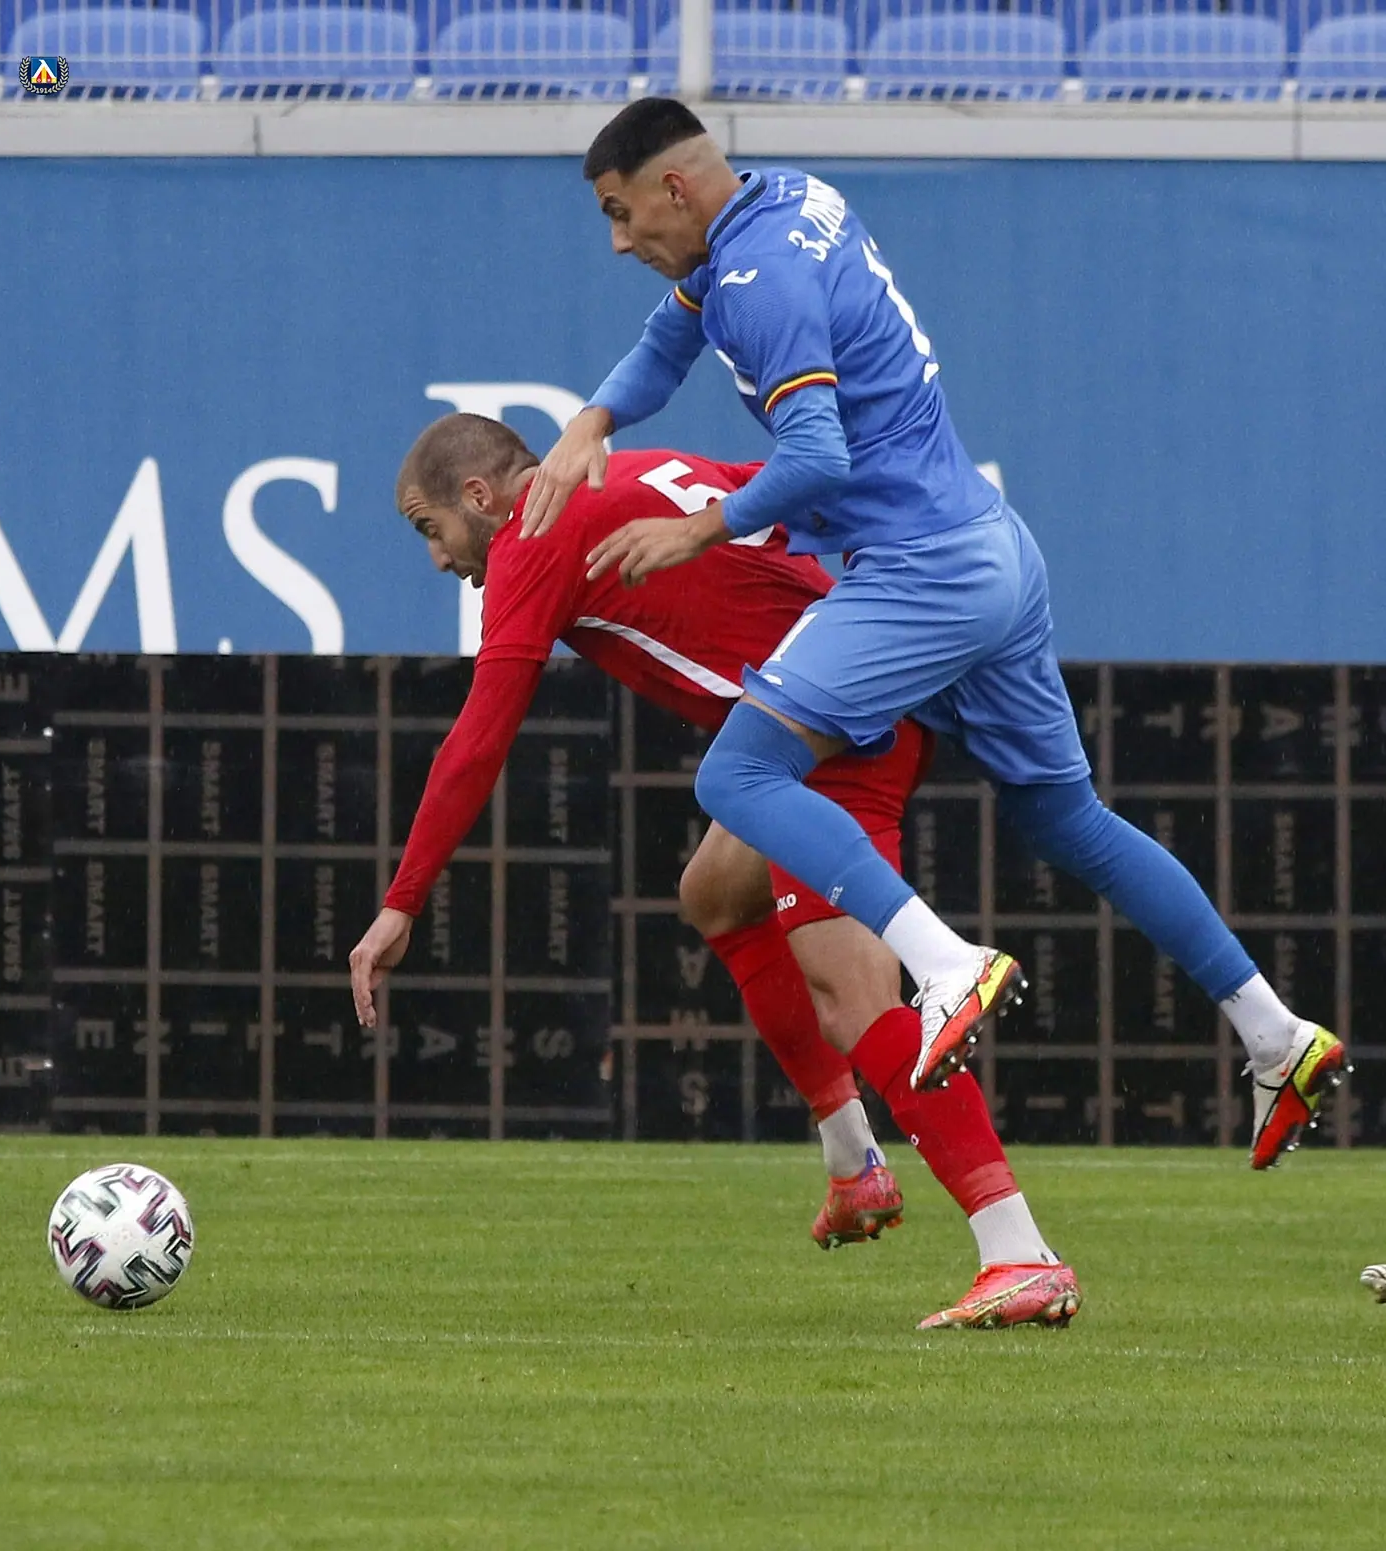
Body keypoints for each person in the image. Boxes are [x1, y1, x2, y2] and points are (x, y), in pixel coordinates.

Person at [520, 96, 1348, 1171]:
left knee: (737, 777)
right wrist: (592, 418)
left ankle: (946, 962)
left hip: (920, 573)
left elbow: (816, 457)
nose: (619, 240)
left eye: (619, 212)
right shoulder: (788, 202)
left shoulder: (759, 280)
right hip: (992, 547)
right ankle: (1273, 1031)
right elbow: (669, 334)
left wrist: (697, 530)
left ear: (672, 187)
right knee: (1070, 819)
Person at [348, 412, 1081, 1330]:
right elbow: (797, 488)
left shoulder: (533, 534)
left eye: (431, 529)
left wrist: (401, 902)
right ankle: (854, 1162)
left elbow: (477, 740)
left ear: (479, 496)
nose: (436, 557)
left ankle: (1018, 1251)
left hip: (837, 732)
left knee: (856, 1002)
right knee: (715, 893)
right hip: (845, 702)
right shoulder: (646, 469)